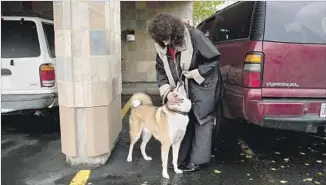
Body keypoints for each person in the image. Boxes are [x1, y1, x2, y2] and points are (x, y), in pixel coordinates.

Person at [148, 13, 224, 172]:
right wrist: (168, 92)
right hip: (184, 85)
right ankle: (180, 160)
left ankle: (197, 161)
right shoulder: (162, 44)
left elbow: (213, 58)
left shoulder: (195, 36)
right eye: (161, 40)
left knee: (201, 119)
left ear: (174, 33)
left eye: (167, 38)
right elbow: (161, 71)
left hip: (204, 83)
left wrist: (198, 72)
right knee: (183, 117)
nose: (165, 42)